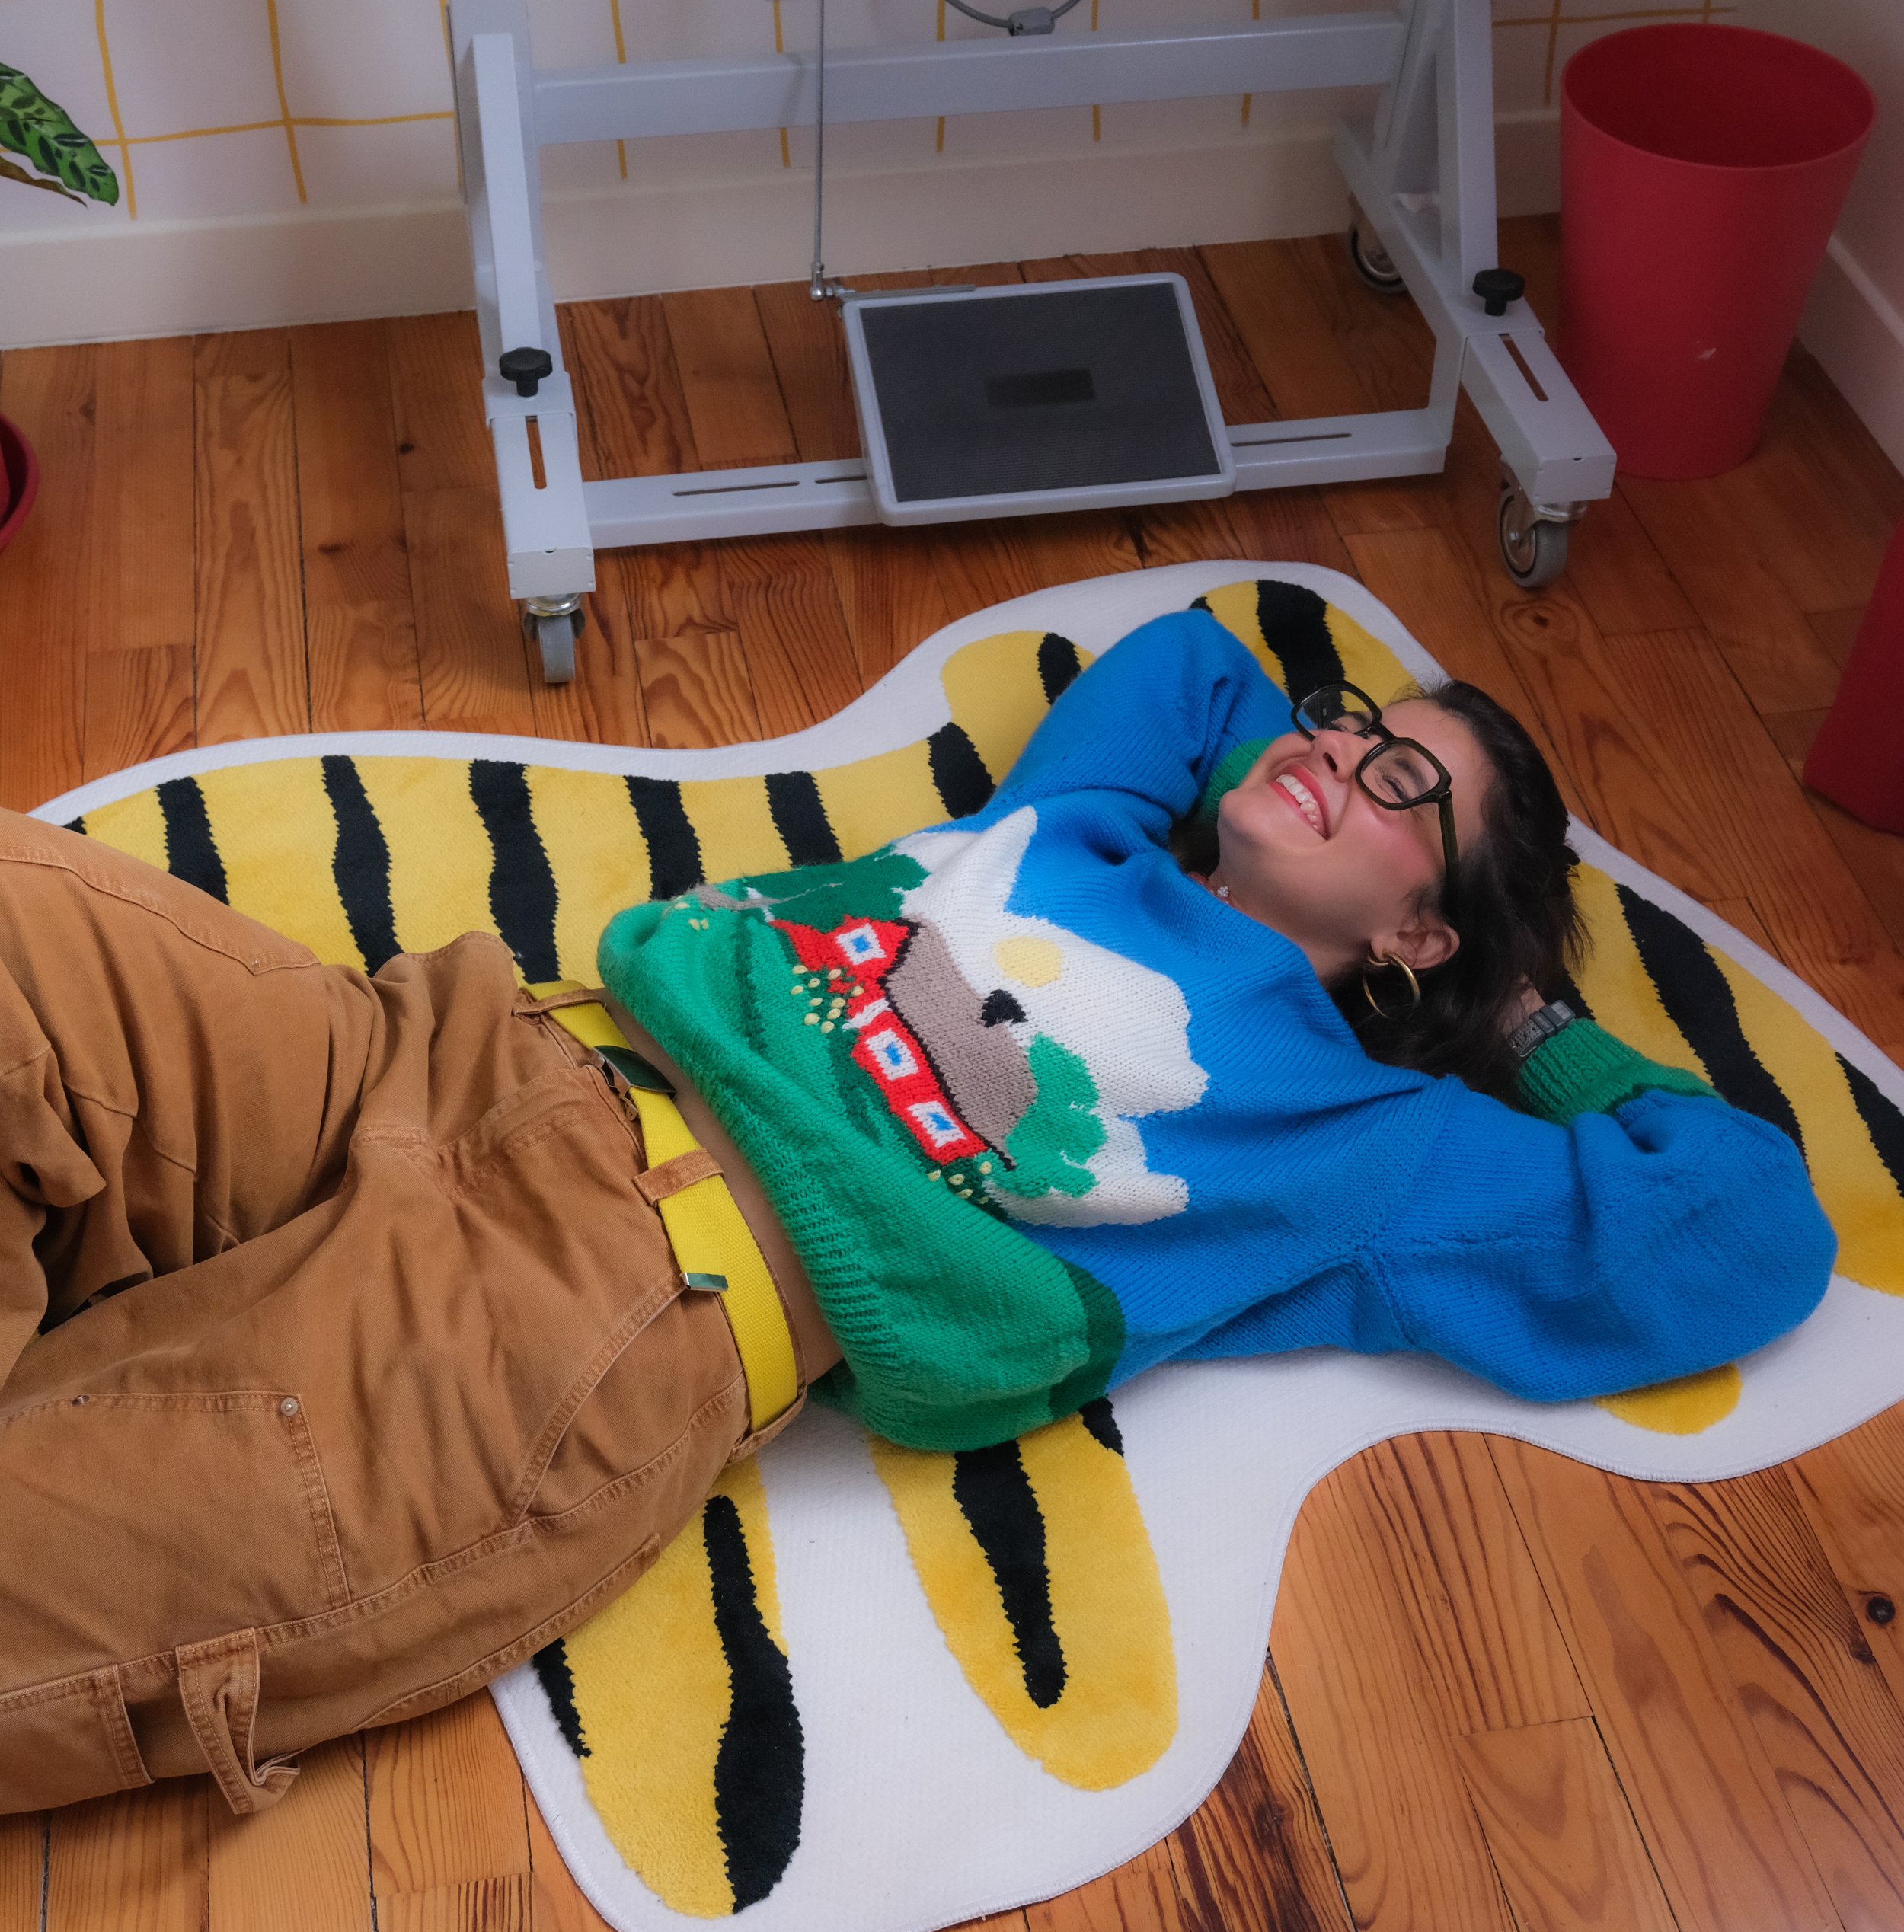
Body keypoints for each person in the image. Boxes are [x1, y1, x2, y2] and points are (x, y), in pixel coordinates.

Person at [0, 606, 1834, 1819]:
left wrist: (1519, 1017)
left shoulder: (1369, 1142)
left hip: (584, 1314)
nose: (1336, 757)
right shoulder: (1086, 827)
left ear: (1420, 931)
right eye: (1355, 726)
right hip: (444, 1047)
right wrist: (1312, 773)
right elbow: (1195, 660)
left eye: (1402, 788)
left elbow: (1747, 1227)